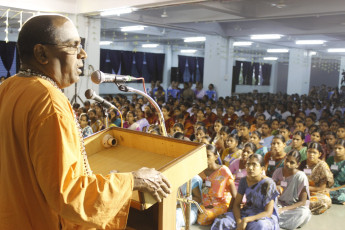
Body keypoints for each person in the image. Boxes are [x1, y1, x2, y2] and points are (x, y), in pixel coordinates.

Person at [0, 15, 171, 229]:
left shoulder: (7, 88)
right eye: (74, 46)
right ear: (42, 53)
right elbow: (70, 195)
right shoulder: (49, 101)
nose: (83, 54)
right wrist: (133, 180)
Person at [211, 154, 280, 230]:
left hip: (262, 217)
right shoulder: (243, 180)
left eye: (254, 165)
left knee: (260, 226)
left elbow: (268, 212)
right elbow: (236, 205)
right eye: (248, 164)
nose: (250, 168)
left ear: (262, 168)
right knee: (221, 220)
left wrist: (246, 220)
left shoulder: (268, 183)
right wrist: (239, 222)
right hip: (247, 212)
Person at [197, 144, 237, 226]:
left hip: (221, 204)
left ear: (215, 157)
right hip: (205, 203)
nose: (205, 158)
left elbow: (234, 195)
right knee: (192, 211)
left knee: (202, 217)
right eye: (203, 156)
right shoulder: (200, 172)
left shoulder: (223, 170)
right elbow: (203, 190)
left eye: (208, 156)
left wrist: (229, 211)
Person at [272, 150, 312, 229]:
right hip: (278, 203)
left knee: (305, 213)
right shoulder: (278, 171)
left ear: (297, 165)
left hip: (293, 208)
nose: (287, 164)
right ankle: (276, 218)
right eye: (286, 160)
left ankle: (274, 219)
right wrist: (275, 186)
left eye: (292, 162)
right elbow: (270, 189)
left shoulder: (301, 176)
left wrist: (283, 209)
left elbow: (303, 202)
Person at [299, 142, 334, 215]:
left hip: (315, 193)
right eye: (309, 152)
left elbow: (321, 188)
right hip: (300, 192)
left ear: (320, 154)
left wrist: (305, 188)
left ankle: (298, 206)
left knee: (325, 201)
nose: (311, 154)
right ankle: (299, 205)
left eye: (314, 152)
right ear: (306, 152)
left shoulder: (322, 166)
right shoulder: (302, 164)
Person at [326, 139, 345, 204]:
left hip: (342, 187)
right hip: (331, 185)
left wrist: (333, 189)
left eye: (340, 148)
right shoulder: (330, 160)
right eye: (335, 148)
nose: (336, 150)